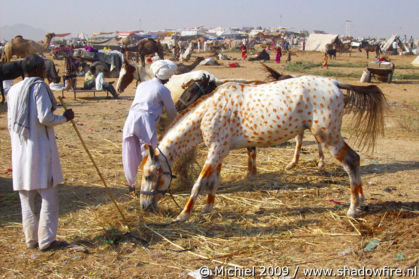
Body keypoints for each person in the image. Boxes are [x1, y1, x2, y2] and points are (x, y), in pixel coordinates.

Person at [7, 54, 74, 252]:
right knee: (48, 196)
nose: (45, 73)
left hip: (20, 148)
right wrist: (64, 118)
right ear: (38, 70)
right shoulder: (39, 87)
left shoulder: (13, 89)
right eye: (44, 70)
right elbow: (44, 116)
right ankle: (46, 240)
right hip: (39, 149)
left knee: (26, 197)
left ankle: (31, 240)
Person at [122, 60, 178, 193]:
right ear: (167, 78)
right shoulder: (163, 89)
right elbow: (171, 111)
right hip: (146, 120)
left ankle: (131, 185)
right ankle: (147, 184)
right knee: (149, 153)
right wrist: (177, 124)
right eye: (168, 78)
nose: (168, 81)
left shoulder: (143, 85)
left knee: (129, 151)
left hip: (131, 118)